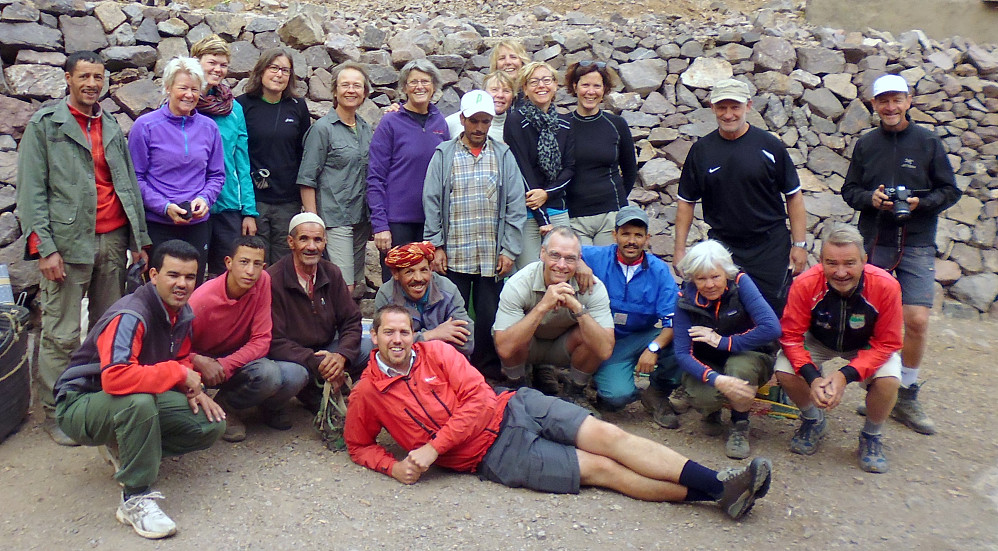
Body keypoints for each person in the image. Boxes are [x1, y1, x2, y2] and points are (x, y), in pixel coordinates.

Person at [345, 305, 773, 521]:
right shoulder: (368, 392)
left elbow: (477, 400)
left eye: (404, 331)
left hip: (515, 405)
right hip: (492, 457)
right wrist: (391, 466)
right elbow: (357, 443)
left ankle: (721, 483)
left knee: (612, 438)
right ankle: (719, 495)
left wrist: (433, 450)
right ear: (375, 336)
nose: (398, 339)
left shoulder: (436, 351)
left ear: (413, 333)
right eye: (389, 332)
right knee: (602, 470)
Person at [16, 51, 151, 446]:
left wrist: (139, 239)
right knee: (60, 331)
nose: (92, 83)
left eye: (98, 76)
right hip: (67, 244)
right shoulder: (47, 125)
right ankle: (58, 412)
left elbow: (127, 185)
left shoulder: (109, 124)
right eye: (84, 76)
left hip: (111, 241)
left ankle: (91, 401)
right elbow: (31, 192)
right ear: (68, 79)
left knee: (106, 327)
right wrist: (45, 249)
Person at [53, 240, 226, 539]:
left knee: (209, 424)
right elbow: (116, 379)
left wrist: (192, 385)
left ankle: (126, 444)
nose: (182, 284)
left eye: (189, 277)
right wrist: (179, 373)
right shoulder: (130, 315)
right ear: (153, 275)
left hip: (125, 397)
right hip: (81, 402)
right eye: (173, 275)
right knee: (139, 403)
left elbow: (179, 356)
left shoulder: (181, 312)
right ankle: (134, 497)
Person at [841, 74, 961, 436]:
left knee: (917, 319)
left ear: (909, 100)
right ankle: (881, 387)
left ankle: (907, 391)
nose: (890, 107)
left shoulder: (928, 142)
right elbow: (850, 189)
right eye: (883, 101)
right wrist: (870, 200)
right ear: (874, 105)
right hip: (875, 239)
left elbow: (949, 191)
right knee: (871, 318)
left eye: (897, 100)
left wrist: (919, 203)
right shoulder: (866, 144)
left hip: (917, 239)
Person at [775, 225, 903, 473]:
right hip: (819, 340)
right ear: (821, 261)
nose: (840, 272)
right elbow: (791, 337)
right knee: (784, 369)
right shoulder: (804, 284)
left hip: (866, 345)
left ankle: (871, 436)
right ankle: (813, 419)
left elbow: (887, 343)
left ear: (864, 260)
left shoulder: (886, 286)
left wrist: (845, 375)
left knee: (889, 379)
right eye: (831, 263)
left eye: (850, 263)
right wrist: (812, 377)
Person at [674, 78, 807, 314]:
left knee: (772, 311)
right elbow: (686, 202)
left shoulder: (770, 146)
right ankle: (729, 350)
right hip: (723, 247)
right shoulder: (701, 151)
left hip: (770, 247)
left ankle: (771, 351)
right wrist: (679, 250)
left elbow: (793, 196)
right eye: (722, 108)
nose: (728, 115)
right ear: (712, 108)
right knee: (726, 311)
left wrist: (799, 245)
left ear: (748, 106)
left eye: (734, 107)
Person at [424, 90, 527, 379]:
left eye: (485, 121)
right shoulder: (444, 154)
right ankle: (453, 369)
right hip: (455, 251)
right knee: (453, 313)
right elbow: (431, 200)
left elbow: (516, 205)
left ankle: (487, 372)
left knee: (489, 315)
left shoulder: (503, 155)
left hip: (490, 255)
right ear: (462, 119)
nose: (479, 127)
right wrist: (436, 245)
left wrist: (509, 249)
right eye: (474, 121)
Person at [188, 236, 308, 441]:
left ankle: (238, 406)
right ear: (228, 263)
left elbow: (262, 340)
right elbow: (174, 348)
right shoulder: (201, 300)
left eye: (257, 264)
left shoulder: (263, 281)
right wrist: (197, 360)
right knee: (269, 374)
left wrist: (225, 365)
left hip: (237, 360)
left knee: (296, 374)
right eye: (244, 262)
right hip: (202, 365)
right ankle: (220, 413)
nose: (250, 271)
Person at [673, 240, 781, 459]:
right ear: (692, 278)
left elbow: (771, 328)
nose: (709, 284)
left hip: (749, 353)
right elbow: (682, 353)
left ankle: (739, 423)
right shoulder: (684, 300)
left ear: (727, 274)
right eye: (701, 278)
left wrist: (724, 342)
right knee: (705, 396)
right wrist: (715, 378)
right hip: (708, 360)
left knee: (739, 368)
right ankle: (711, 412)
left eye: (715, 276)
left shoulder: (741, 283)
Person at [493, 227, 614, 412]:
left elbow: (605, 350)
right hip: (528, 346)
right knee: (505, 331)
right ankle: (517, 384)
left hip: (562, 347)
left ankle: (575, 392)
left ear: (579, 259)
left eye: (570, 258)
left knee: (592, 330)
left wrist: (577, 308)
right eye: (555, 255)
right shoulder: (519, 283)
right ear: (542, 253)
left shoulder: (593, 288)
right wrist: (542, 307)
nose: (562, 265)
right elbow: (504, 347)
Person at [579, 206, 681, 422]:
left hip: (643, 337)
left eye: (638, 235)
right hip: (607, 341)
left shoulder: (659, 270)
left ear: (647, 238)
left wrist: (653, 348)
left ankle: (657, 393)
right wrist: (579, 263)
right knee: (616, 398)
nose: (631, 241)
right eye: (625, 234)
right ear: (614, 235)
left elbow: (672, 320)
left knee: (683, 339)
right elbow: (560, 248)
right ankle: (601, 379)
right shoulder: (597, 257)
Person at [128, 57, 225, 284]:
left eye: (194, 89)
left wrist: (205, 199)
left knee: (192, 289)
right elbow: (135, 178)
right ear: (168, 87)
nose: (189, 95)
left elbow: (216, 174)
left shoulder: (209, 127)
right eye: (182, 88)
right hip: (158, 225)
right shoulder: (145, 126)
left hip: (197, 225)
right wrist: (163, 207)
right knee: (159, 290)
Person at [268, 213, 363, 411]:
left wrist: (341, 356)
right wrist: (315, 361)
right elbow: (274, 340)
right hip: (295, 358)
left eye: (317, 240)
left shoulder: (332, 272)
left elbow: (351, 320)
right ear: (291, 242)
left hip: (329, 349)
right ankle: (273, 407)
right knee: (294, 375)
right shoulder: (272, 280)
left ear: (325, 243)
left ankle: (322, 389)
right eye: (304, 239)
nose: (311, 247)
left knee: (373, 344)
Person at [367, 59, 450, 282]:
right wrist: (380, 225)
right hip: (397, 223)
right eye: (413, 82)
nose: (420, 87)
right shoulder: (390, 122)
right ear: (404, 87)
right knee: (396, 283)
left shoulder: (439, 121)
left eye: (425, 81)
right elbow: (375, 177)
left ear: (434, 86)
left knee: (426, 285)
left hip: (431, 222)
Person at [298, 62, 374, 295]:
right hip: (333, 218)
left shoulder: (365, 128)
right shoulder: (322, 129)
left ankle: (344, 330)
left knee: (354, 284)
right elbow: (307, 179)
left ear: (365, 93)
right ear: (335, 91)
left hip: (360, 218)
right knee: (344, 285)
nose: (351, 90)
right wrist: (314, 223)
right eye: (345, 85)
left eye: (357, 86)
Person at [190, 35, 258, 278]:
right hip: (191, 201)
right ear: (196, 62)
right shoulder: (184, 101)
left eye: (223, 64)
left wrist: (249, 210)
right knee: (190, 274)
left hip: (227, 202)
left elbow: (242, 161)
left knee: (227, 276)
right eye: (212, 62)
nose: (217, 70)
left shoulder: (233, 108)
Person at [237, 48, 311, 264]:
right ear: (261, 71)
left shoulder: (298, 106)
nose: (279, 74)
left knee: (283, 263)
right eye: (274, 68)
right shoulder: (242, 105)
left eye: (285, 70)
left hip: (287, 201)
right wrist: (247, 209)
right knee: (254, 260)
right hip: (254, 200)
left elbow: (303, 152)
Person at [505, 62, 576, 271]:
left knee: (562, 272)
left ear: (555, 85)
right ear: (525, 89)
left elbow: (570, 168)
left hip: (557, 208)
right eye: (533, 82)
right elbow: (521, 167)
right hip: (528, 212)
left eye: (546, 80)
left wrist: (547, 194)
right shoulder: (516, 120)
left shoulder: (564, 124)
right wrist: (542, 216)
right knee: (531, 274)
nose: (541, 86)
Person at [565, 61, 638, 246]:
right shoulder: (562, 125)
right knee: (579, 272)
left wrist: (617, 203)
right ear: (575, 86)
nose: (591, 91)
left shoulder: (616, 124)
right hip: (574, 217)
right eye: (585, 85)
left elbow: (630, 171)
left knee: (607, 271)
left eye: (597, 86)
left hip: (610, 214)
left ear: (604, 89)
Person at [374, 242, 474, 360]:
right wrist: (432, 335)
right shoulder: (386, 294)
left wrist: (412, 340)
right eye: (409, 272)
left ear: (431, 269)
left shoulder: (447, 289)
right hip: (404, 364)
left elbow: (467, 343)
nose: (418, 278)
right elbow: (381, 344)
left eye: (424, 270)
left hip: (443, 361)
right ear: (396, 274)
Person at [444, 71, 516, 143]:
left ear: (513, 96)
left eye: (506, 91)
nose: (500, 95)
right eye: (494, 90)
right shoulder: (454, 121)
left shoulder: (515, 127)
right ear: (484, 92)